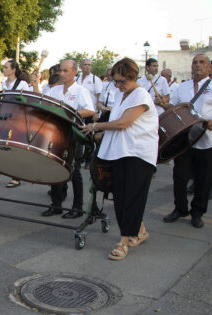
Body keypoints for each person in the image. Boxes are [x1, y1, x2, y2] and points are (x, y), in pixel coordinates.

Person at [81, 57, 158, 260]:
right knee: (122, 195)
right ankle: (139, 229)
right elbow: (117, 123)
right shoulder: (121, 93)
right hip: (120, 151)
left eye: (122, 81)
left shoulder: (140, 95)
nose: (117, 85)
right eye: (115, 81)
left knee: (131, 196)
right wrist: (102, 133)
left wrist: (96, 126)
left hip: (138, 153)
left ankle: (124, 241)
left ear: (133, 77)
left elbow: (123, 123)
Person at [163, 54, 212, 228]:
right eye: (194, 62)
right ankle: (180, 208)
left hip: (208, 140)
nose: (197, 65)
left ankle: (197, 212)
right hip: (185, 140)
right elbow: (174, 108)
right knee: (180, 176)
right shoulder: (183, 87)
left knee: (204, 179)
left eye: (202, 63)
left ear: (210, 68)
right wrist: (165, 105)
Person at [42, 59, 95, 218]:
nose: (62, 74)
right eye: (61, 71)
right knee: (54, 168)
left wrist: (71, 114)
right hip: (56, 134)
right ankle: (56, 204)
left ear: (74, 72)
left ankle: (77, 207)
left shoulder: (80, 91)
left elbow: (90, 110)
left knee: (74, 170)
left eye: (66, 71)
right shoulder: (55, 90)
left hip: (73, 135)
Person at [0, 59, 28, 189]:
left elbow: (27, 101)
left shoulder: (23, 84)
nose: (4, 69)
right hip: (3, 118)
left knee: (13, 149)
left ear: (14, 69)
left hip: (16, 120)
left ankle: (16, 177)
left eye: (6, 67)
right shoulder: (4, 83)